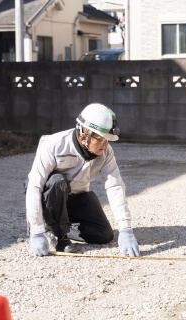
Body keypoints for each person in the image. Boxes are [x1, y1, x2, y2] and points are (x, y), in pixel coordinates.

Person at [25, 103, 139, 257]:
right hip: (50, 196)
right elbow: (34, 186)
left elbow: (115, 186)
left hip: (76, 197)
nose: (105, 144)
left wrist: (125, 229)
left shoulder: (106, 152)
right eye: (101, 139)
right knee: (57, 181)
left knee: (103, 235)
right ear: (84, 134)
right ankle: (59, 233)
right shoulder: (54, 145)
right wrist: (36, 233)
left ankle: (58, 225)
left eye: (108, 139)